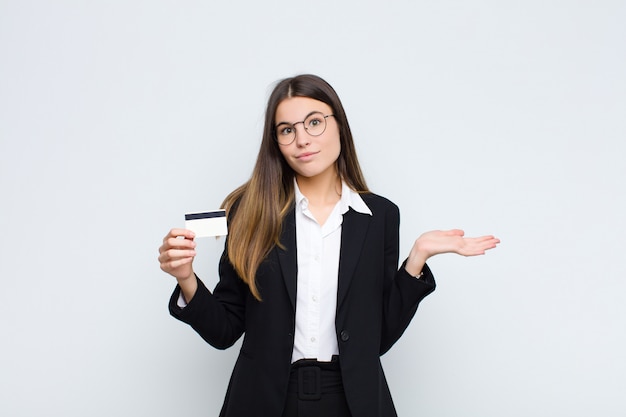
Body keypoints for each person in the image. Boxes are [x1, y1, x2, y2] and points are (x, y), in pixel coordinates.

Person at [158, 74, 500, 417]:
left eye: (314, 123)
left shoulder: (380, 216)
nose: (302, 140)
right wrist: (185, 278)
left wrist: (417, 259)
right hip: (266, 399)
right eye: (287, 130)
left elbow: (376, 341)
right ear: (276, 141)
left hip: (353, 399)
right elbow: (224, 331)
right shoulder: (249, 213)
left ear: (339, 126)